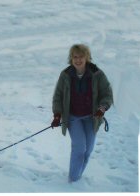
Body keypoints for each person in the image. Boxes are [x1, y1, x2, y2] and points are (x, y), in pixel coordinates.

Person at [51, 44, 113, 182]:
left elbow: (107, 93)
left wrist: (102, 108)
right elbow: (58, 96)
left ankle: (77, 177)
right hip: (73, 118)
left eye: (81, 57)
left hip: (92, 117)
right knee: (79, 147)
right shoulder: (66, 75)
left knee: (88, 150)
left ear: (87, 57)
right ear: (71, 59)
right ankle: (73, 180)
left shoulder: (97, 74)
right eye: (75, 57)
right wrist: (57, 114)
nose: (78, 60)